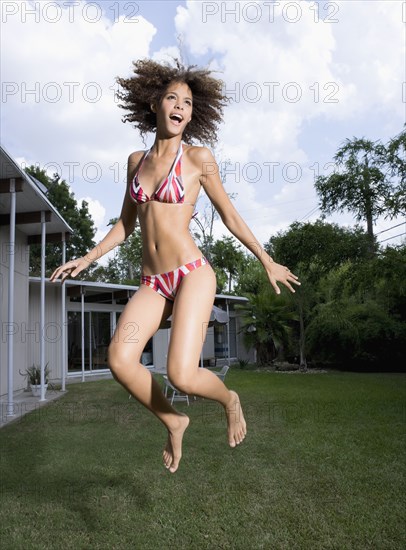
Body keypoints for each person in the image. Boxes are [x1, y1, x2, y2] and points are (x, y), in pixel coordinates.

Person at [50, 59, 300, 473]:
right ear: (155, 103)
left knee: (182, 374)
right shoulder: (136, 160)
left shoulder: (199, 158)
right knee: (119, 359)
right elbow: (126, 224)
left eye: (187, 101)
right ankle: (174, 419)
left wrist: (266, 258)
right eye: (172, 97)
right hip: (153, 282)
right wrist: (88, 257)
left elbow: (229, 215)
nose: (180, 106)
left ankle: (229, 399)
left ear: (192, 113)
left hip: (192, 273)